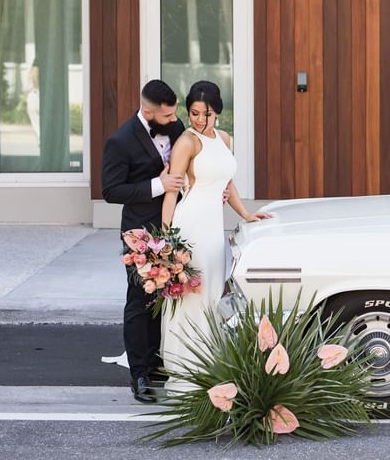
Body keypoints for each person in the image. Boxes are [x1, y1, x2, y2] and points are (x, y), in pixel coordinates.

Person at [160, 81, 270, 391]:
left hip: (212, 228)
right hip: (190, 226)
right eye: (193, 113)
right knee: (192, 298)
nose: (197, 119)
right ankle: (185, 372)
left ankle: (209, 365)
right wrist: (167, 241)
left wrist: (246, 214)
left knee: (211, 296)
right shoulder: (187, 142)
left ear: (217, 112)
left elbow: (227, 183)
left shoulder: (224, 138)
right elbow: (171, 193)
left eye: (204, 114)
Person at [101, 80, 185, 404]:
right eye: (166, 115)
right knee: (139, 300)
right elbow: (111, 191)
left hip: (175, 227)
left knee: (167, 296)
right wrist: (157, 184)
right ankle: (140, 373)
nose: (173, 119)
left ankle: (159, 362)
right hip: (140, 233)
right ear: (147, 111)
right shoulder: (120, 141)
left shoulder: (175, 128)